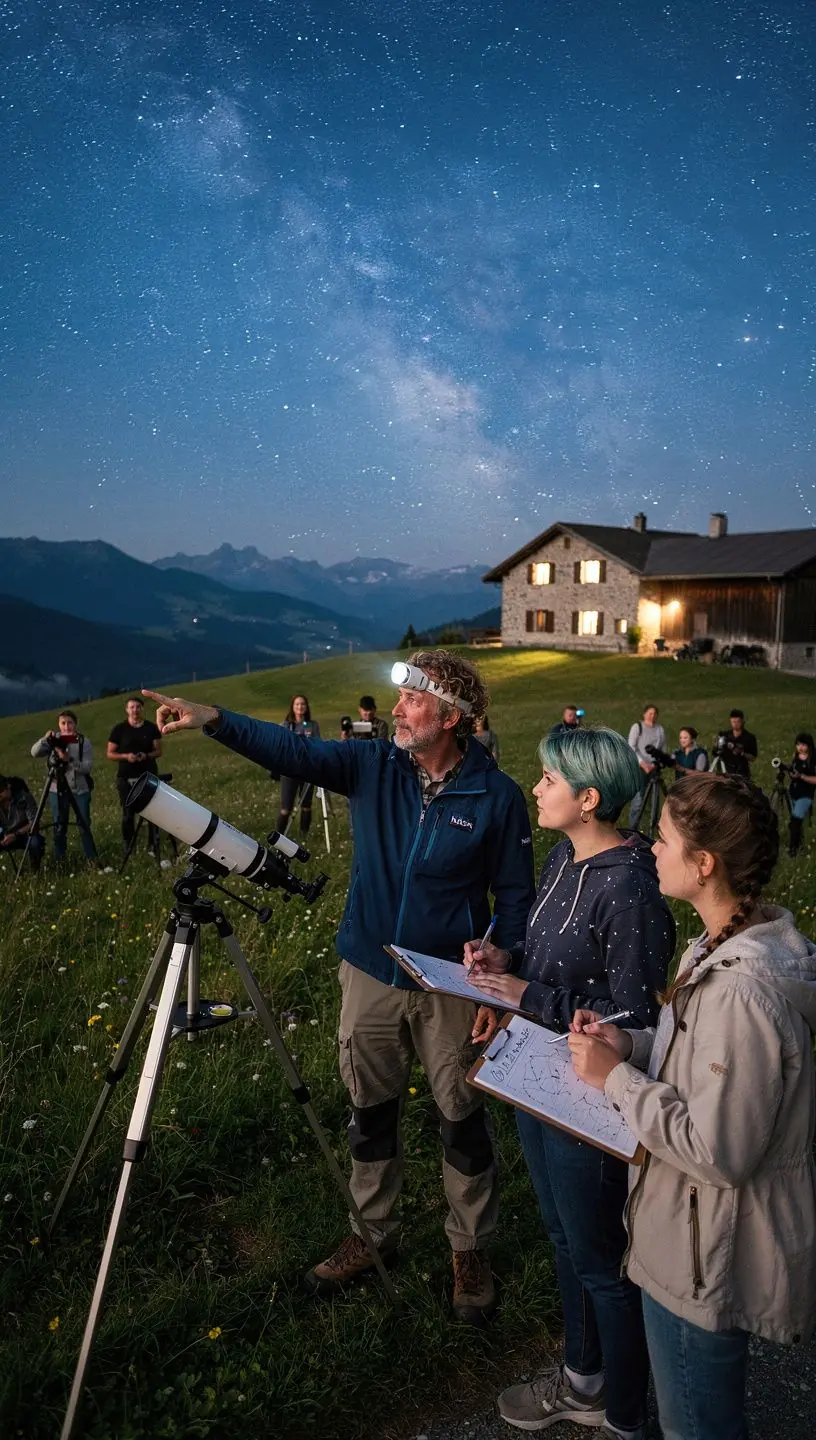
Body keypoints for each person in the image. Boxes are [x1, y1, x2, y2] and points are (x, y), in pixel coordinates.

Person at [142, 649, 535, 1324]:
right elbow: (292, 753)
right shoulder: (374, 765)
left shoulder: (496, 797)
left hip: (450, 984)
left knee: (461, 1117)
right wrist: (215, 720)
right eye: (402, 697)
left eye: (414, 700)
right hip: (369, 969)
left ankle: (469, 1248)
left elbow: (518, 896)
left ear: (451, 716)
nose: (398, 710)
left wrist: (502, 953)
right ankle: (373, 1233)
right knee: (370, 1109)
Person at [568, 773, 816, 1440]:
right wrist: (632, 1042)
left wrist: (616, 1079)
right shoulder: (715, 944)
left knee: (698, 1427)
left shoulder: (743, 992)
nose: (650, 847)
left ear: (703, 865)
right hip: (686, 1234)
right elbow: (697, 1057)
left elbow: (719, 1151)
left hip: (702, 1258)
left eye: (667, 839)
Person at [466, 726, 675, 1439]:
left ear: (589, 798)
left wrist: (523, 994)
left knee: (601, 1263)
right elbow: (538, 948)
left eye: (550, 780)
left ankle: (624, 1416)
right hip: (536, 1076)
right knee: (563, 1238)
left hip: (589, 1096)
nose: (537, 788)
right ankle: (583, 1380)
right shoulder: (563, 855)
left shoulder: (631, 889)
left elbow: (634, 1018)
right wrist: (500, 957)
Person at [30, 710, 99, 865]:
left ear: (75, 724)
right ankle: (59, 859)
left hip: (79, 789)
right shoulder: (54, 739)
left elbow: (87, 768)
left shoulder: (83, 742)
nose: (66, 726)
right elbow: (34, 752)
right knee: (59, 825)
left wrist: (69, 760)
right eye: (63, 723)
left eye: (70, 723)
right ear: (58, 725)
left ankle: (92, 858)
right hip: (57, 788)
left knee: (84, 824)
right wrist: (45, 739)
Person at [107, 697, 162, 856]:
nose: (135, 710)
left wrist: (146, 755)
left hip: (148, 774)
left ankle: (153, 845)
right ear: (126, 710)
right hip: (125, 777)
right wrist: (126, 757)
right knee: (128, 813)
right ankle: (129, 845)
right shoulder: (119, 729)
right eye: (131, 707)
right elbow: (110, 753)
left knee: (152, 812)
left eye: (138, 707)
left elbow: (158, 751)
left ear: (142, 709)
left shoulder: (151, 728)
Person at [275, 695, 320, 837]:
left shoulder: (312, 725)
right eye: (297, 704)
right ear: (292, 707)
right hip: (289, 769)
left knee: (306, 805)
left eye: (302, 704)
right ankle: (278, 836)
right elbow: (279, 745)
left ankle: (304, 835)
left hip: (308, 768)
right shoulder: (286, 725)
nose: (300, 707)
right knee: (285, 808)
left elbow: (319, 744)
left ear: (306, 707)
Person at [627, 704, 667, 830]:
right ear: (644, 714)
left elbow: (662, 748)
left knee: (655, 800)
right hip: (639, 767)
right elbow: (631, 747)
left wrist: (655, 764)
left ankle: (654, 827)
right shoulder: (637, 727)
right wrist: (642, 763)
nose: (652, 716)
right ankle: (633, 828)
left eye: (655, 714)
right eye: (650, 713)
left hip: (654, 768)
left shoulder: (659, 729)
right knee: (638, 799)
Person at [0, 774, 44, 872]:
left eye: (0, 791)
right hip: (4, 836)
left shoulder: (24, 797)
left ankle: (35, 871)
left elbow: (34, 821)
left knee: (35, 842)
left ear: (8, 787)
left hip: (24, 834)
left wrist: (16, 834)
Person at [786, 731, 816, 857]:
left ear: (809, 746)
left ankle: (793, 849)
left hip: (806, 795)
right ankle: (799, 843)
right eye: (798, 745)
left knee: (795, 820)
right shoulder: (796, 757)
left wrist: (802, 776)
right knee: (794, 822)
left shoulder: (813, 759)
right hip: (793, 792)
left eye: (803, 745)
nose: (800, 748)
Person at [713, 709, 758, 778]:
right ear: (730, 721)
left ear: (743, 721)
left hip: (742, 773)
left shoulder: (749, 737)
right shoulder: (724, 736)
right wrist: (717, 745)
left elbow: (753, 757)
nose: (736, 724)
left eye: (738, 722)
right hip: (725, 772)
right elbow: (715, 753)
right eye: (733, 722)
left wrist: (742, 753)